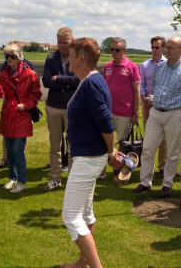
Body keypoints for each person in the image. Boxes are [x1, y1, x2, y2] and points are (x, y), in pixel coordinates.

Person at [60, 37, 119, 268]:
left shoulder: (92, 83)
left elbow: (106, 124)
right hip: (89, 156)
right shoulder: (91, 81)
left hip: (88, 158)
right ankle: (82, 263)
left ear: (81, 58)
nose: (67, 59)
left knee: (71, 217)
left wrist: (112, 152)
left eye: (71, 55)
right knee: (84, 213)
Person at [132, 36, 181, 198]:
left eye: (171, 48)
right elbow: (156, 86)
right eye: (166, 47)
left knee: (173, 151)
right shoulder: (160, 67)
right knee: (148, 148)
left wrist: (178, 104)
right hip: (156, 112)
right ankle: (145, 182)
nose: (166, 50)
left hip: (175, 114)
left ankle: (167, 184)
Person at [0, 43, 42, 194]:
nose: (9, 59)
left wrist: (26, 105)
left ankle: (22, 181)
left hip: (22, 115)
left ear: (20, 57)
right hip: (8, 114)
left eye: (12, 56)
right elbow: (1, 95)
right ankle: (12, 177)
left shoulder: (30, 74)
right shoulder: (3, 74)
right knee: (10, 151)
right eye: (7, 56)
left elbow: (36, 94)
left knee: (17, 150)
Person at [42, 27, 79, 192]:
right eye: (59, 43)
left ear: (72, 41)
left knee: (73, 146)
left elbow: (79, 79)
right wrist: (67, 81)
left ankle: (72, 179)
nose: (62, 46)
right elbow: (46, 82)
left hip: (72, 106)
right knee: (55, 146)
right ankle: (55, 178)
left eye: (65, 42)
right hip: (54, 106)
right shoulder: (51, 59)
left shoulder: (77, 57)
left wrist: (59, 78)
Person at [103, 37, 140, 183]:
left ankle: (119, 172)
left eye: (117, 50)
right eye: (111, 49)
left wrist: (136, 112)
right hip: (108, 111)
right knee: (106, 143)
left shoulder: (131, 66)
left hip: (125, 112)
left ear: (124, 50)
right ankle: (103, 171)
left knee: (121, 144)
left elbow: (136, 91)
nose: (113, 52)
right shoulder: (107, 66)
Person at [140, 36, 167, 178]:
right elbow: (142, 85)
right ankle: (148, 167)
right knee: (149, 136)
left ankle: (162, 167)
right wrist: (143, 97)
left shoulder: (169, 64)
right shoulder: (144, 65)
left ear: (163, 48)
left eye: (157, 47)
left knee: (164, 138)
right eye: (152, 47)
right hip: (148, 106)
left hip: (164, 106)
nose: (154, 50)